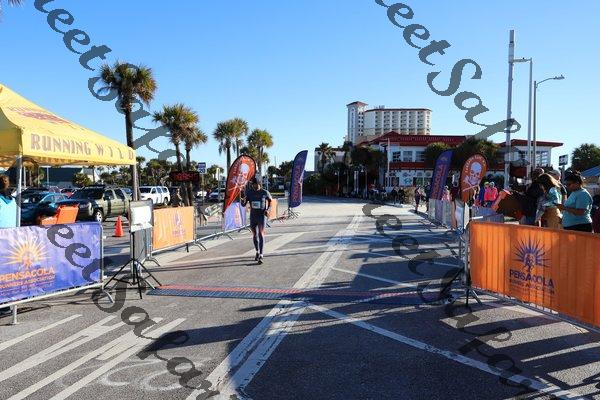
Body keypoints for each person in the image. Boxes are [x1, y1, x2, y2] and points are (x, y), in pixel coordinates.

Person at [240, 177, 273, 264]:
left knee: (261, 234)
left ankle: (261, 254)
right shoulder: (249, 192)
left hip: (261, 216)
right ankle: (257, 251)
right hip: (253, 216)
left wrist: (268, 210)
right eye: (253, 185)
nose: (254, 186)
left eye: (256, 185)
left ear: (259, 184)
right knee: (255, 235)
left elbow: (270, 202)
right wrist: (242, 200)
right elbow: (243, 204)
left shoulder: (265, 192)